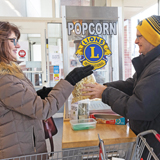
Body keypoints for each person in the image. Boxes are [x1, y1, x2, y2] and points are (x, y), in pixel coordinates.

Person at [0, 21, 94, 159]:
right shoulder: (5, 79)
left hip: (25, 145)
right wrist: (69, 81)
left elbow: (17, 103)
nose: (18, 45)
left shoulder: (10, 75)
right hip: (20, 152)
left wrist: (38, 95)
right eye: (13, 41)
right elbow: (42, 110)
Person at [82, 15, 160, 159]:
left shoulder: (157, 68)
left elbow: (137, 107)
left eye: (140, 36)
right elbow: (131, 85)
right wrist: (102, 87)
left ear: (153, 38)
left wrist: (105, 93)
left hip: (154, 144)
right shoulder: (150, 64)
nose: (136, 41)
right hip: (146, 139)